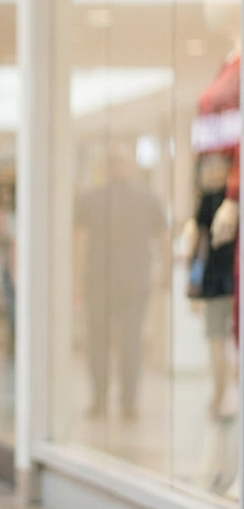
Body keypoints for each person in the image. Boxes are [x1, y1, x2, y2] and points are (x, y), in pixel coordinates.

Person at [76, 145, 166, 421]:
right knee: (127, 342)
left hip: (109, 280)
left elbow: (79, 241)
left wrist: (77, 278)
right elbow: (162, 239)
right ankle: (123, 402)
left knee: (106, 342)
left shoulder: (94, 197)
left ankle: (105, 400)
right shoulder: (146, 197)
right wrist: (164, 274)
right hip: (123, 280)